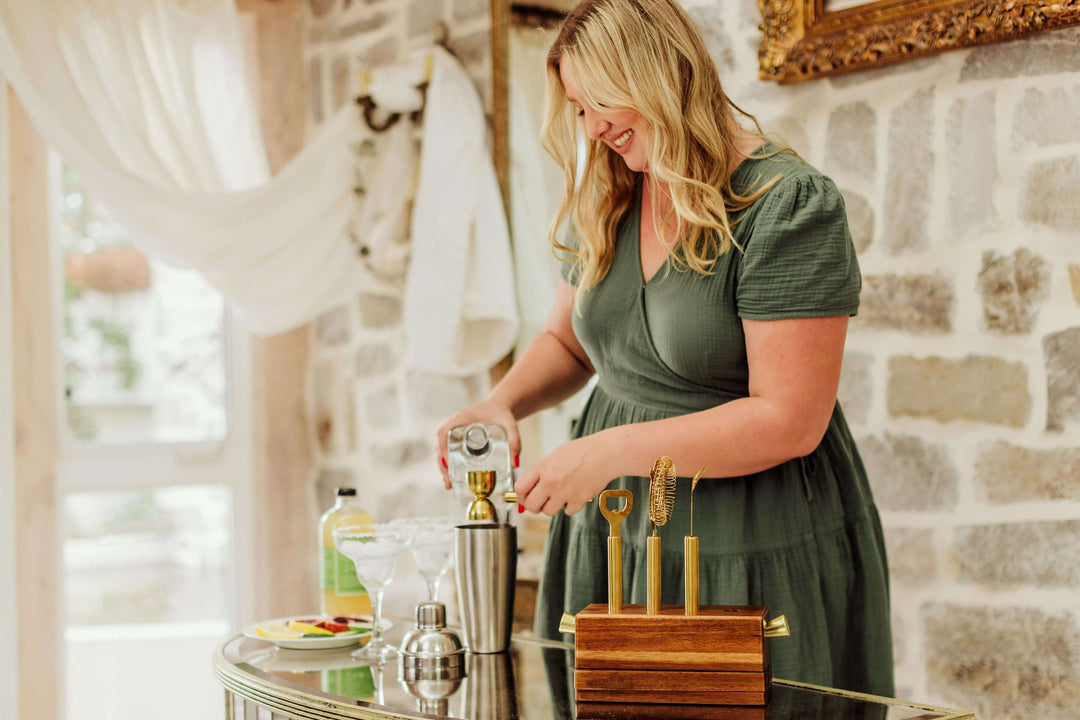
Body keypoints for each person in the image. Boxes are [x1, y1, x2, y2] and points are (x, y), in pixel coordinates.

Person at [436, 0, 894, 697]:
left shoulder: (788, 206)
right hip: (613, 528)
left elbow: (790, 420)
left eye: (601, 102)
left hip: (747, 523)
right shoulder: (613, 195)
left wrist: (607, 454)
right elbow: (570, 340)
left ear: (659, 73)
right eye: (578, 109)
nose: (592, 128)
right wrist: (503, 402)